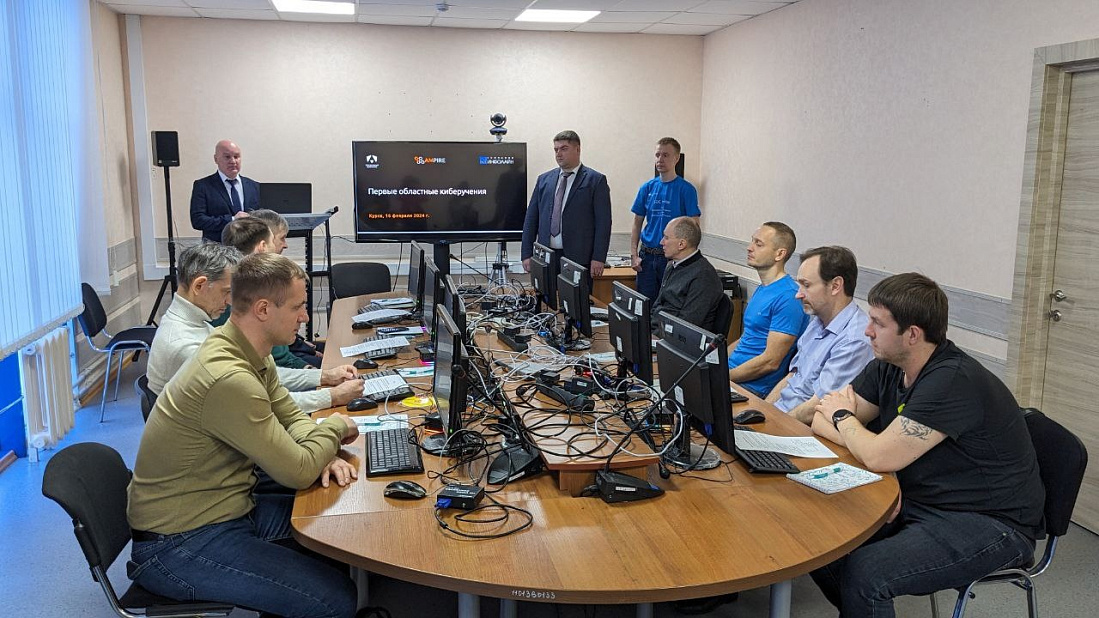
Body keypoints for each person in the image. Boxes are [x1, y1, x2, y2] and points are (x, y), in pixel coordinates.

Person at [127, 252, 361, 617]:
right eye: (298, 307)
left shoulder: (247, 350)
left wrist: (324, 452)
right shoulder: (230, 377)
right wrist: (335, 427)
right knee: (333, 600)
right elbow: (299, 470)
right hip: (178, 542)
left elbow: (289, 415)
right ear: (263, 309)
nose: (305, 317)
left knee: (333, 527)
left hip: (227, 509)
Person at [809, 273, 1044, 617]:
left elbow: (866, 444)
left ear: (912, 334)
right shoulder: (889, 365)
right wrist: (884, 465)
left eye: (878, 323)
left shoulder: (950, 380)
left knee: (867, 573)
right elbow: (820, 419)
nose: (867, 331)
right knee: (820, 542)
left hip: (991, 521)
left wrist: (845, 418)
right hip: (924, 499)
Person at [150, 243, 361, 412]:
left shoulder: (194, 323)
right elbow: (259, 405)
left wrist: (323, 376)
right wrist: (332, 396)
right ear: (199, 286)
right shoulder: (184, 345)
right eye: (227, 292)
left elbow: (260, 377)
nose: (230, 301)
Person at [766, 246, 873, 424]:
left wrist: (772, 426)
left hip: (801, 427)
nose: (798, 294)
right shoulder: (817, 321)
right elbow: (792, 377)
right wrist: (764, 412)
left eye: (806, 285)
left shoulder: (854, 340)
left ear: (835, 286)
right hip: (782, 417)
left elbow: (817, 407)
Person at [727, 222, 809, 397]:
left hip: (751, 388)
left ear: (779, 254)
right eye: (752, 241)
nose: (749, 248)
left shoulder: (788, 297)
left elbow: (770, 362)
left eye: (759, 244)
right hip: (732, 375)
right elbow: (746, 338)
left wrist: (723, 377)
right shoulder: (763, 288)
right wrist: (713, 363)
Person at [521, 130, 612, 278]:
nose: (559, 154)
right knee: (545, 293)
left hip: (579, 259)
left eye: (564, 149)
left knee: (576, 294)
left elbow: (603, 223)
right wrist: (526, 254)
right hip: (545, 257)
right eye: (556, 150)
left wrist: (599, 257)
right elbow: (531, 219)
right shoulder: (544, 180)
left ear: (577, 149)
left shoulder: (595, 180)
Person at [630, 137, 700, 302]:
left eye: (666, 155)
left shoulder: (686, 190)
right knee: (644, 305)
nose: (660, 159)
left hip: (671, 258)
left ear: (676, 158)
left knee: (668, 304)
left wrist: (686, 259)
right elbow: (637, 223)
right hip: (647, 257)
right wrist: (633, 254)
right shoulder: (647, 188)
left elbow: (694, 227)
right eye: (657, 155)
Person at [649, 217, 723, 335]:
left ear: (681, 244)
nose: (661, 242)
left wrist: (654, 336)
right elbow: (658, 306)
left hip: (675, 340)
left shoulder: (704, 276)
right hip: (657, 333)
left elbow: (687, 325)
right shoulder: (671, 266)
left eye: (666, 238)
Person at [191, 139, 259, 243]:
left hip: (248, 246)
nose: (233, 161)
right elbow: (198, 220)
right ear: (216, 159)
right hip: (217, 248)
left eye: (236, 156)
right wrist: (232, 220)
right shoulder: (203, 186)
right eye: (227, 157)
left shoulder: (253, 186)